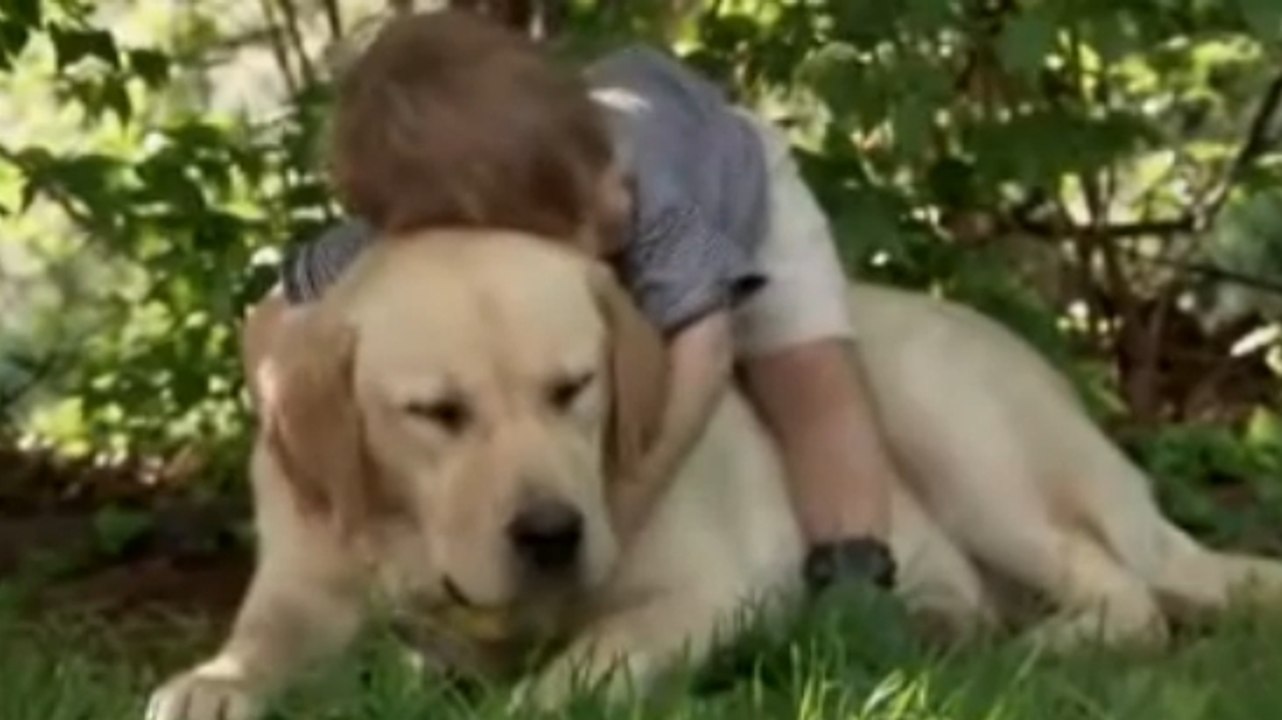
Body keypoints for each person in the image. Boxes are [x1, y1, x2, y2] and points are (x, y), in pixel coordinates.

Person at [242, 9, 903, 598]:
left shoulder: (650, 209)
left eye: (598, 192)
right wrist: (300, 443)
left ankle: (856, 572)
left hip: (738, 184)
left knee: (810, 379)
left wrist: (622, 511)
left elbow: (703, 358)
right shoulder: (417, 216)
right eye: (568, 232)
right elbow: (275, 319)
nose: (606, 213)